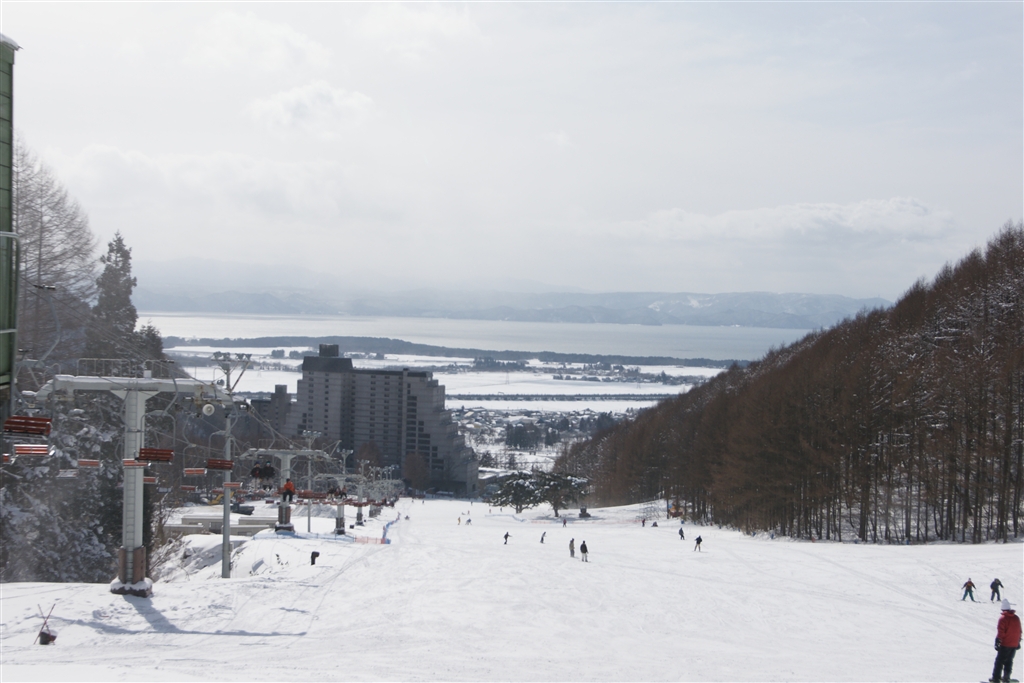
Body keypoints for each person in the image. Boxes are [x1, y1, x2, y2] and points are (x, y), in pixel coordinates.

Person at [991, 599, 1022, 683]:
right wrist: (1018, 641)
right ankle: (1006, 678)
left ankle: (996, 678)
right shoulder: (1016, 618)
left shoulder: (1003, 618)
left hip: (1005, 644)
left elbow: (1001, 632)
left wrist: (998, 641)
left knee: (999, 661)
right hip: (1014, 644)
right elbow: (1019, 631)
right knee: (1009, 661)